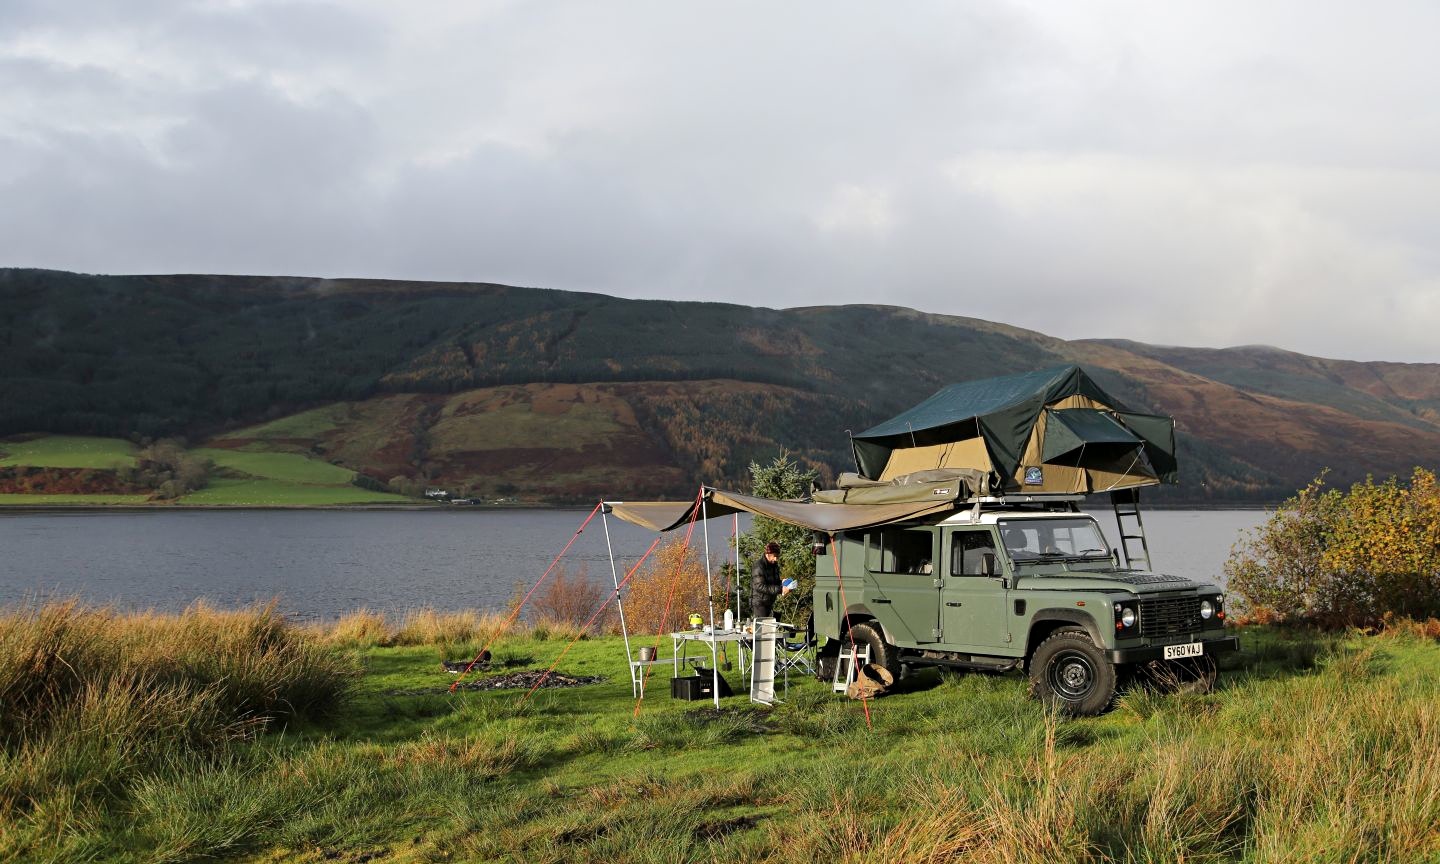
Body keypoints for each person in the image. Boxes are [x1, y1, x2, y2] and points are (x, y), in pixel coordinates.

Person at [750, 541, 784, 619]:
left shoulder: (774, 565)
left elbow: (774, 582)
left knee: (770, 627)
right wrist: (781, 589)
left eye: (777, 556)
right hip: (759, 603)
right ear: (768, 554)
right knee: (762, 629)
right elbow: (760, 586)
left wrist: (783, 583)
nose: (776, 559)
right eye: (774, 556)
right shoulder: (758, 566)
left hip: (769, 602)